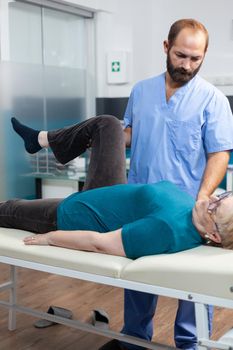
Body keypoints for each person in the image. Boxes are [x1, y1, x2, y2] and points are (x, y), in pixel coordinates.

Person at [100, 19, 233, 350]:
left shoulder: (213, 100)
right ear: (165, 47)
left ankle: (189, 345)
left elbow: (220, 154)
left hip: (188, 209)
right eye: (180, 55)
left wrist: (203, 198)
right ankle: (134, 343)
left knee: (193, 290)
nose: (186, 65)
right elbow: (130, 135)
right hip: (141, 203)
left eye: (195, 59)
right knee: (139, 280)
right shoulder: (141, 91)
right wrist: (101, 133)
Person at [3, 116, 233, 258]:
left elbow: (99, 243)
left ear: (214, 235)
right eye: (221, 198)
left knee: (10, 209)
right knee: (108, 125)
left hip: (77, 214)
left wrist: (51, 238)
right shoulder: (195, 209)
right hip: (106, 194)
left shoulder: (165, 229)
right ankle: (40, 140)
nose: (211, 199)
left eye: (215, 209)